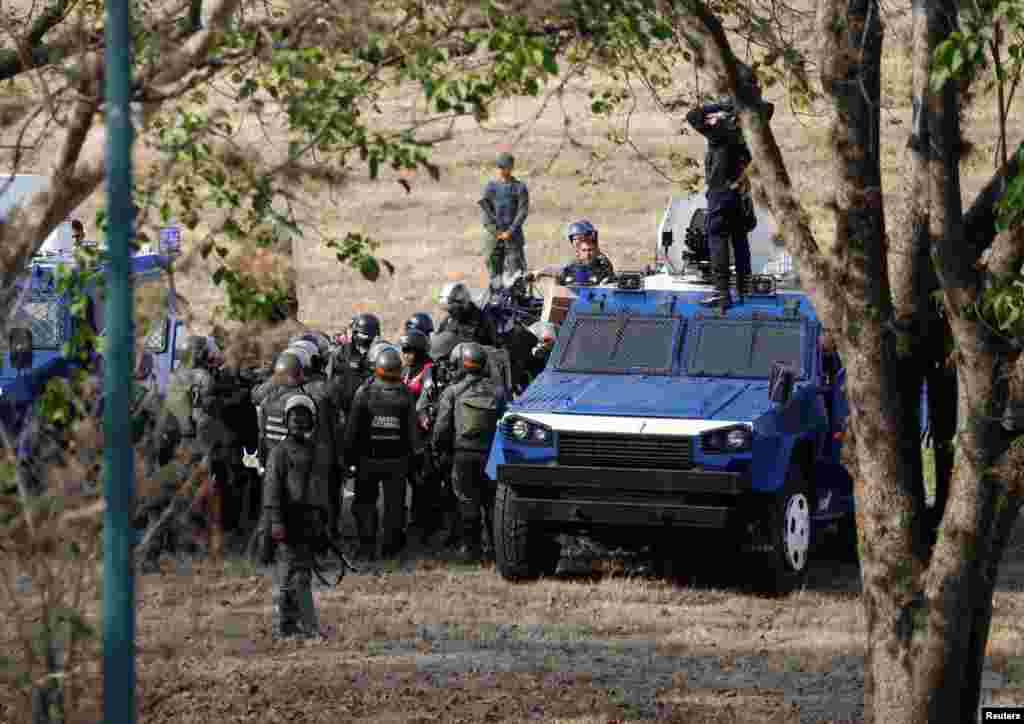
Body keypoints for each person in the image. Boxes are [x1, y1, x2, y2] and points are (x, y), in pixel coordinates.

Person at [686, 77, 774, 311]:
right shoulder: (754, 122)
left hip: (721, 190)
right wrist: (744, 104)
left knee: (717, 236)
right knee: (739, 236)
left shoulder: (723, 129)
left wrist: (721, 106)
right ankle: (744, 285)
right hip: (741, 191)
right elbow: (768, 108)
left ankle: (721, 292)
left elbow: (693, 116)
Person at [344, 346, 421, 560]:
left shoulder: (364, 392)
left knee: (365, 503)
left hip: (367, 460)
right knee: (394, 506)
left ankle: (367, 547)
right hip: (397, 462)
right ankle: (391, 548)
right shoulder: (405, 393)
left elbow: (352, 431)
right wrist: (416, 459)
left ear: (376, 368)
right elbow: (413, 433)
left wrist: (348, 459)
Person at [432, 342, 506, 562]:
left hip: (463, 455)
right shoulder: (499, 391)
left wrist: (439, 450)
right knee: (492, 502)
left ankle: (471, 549)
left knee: (467, 501)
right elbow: (506, 423)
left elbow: (442, 428)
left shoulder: (452, 392)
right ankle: (496, 550)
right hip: (491, 455)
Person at [264, 393, 329, 641]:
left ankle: (292, 626)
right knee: (290, 575)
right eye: (294, 418)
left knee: (301, 575)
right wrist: (277, 522)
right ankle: (294, 627)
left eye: (303, 418)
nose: (299, 422)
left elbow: (319, 490)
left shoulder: (315, 451)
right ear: (286, 421)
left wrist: (323, 521)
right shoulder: (279, 453)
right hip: (287, 520)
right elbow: (272, 490)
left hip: (308, 522)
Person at [480, 152, 530, 289]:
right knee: (495, 278)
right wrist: (497, 233)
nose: (501, 170)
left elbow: (522, 212)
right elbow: (485, 214)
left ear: (511, 167)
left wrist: (510, 232)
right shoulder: (490, 187)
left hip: (513, 238)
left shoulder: (520, 187)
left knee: (517, 276)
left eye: (505, 167)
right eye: (499, 167)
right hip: (493, 239)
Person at [528, 224, 615, 286]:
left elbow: (565, 271)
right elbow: (564, 270)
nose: (574, 242)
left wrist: (541, 272)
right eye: (573, 239)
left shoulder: (599, 260)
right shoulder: (579, 259)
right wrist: (540, 272)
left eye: (576, 238)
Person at [436, 282, 498, 347]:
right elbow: (439, 340)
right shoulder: (449, 319)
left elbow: (493, 348)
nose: (450, 312)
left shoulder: (482, 320)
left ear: (463, 303)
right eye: (449, 310)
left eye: (452, 309)